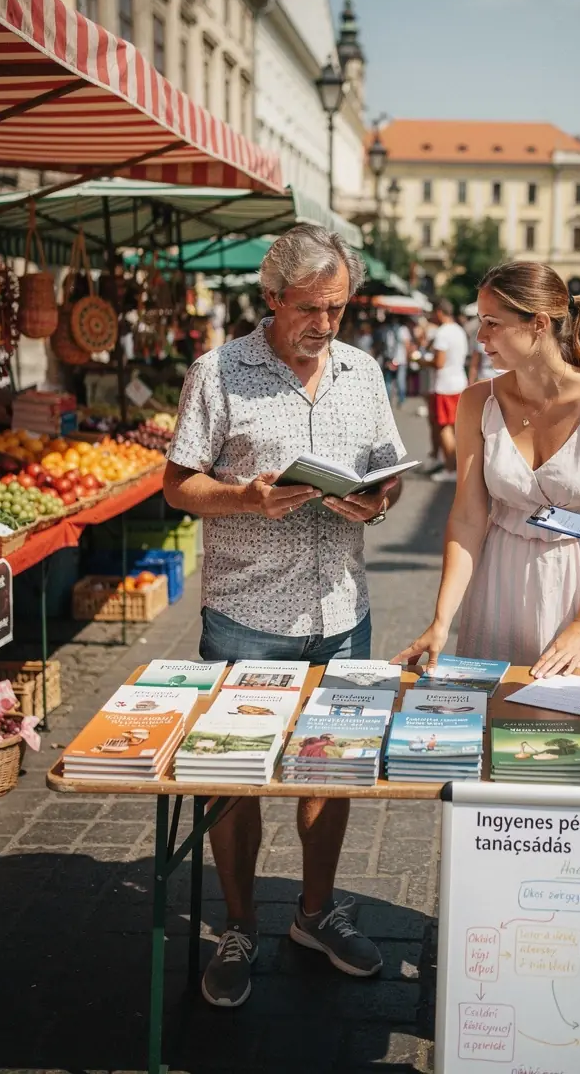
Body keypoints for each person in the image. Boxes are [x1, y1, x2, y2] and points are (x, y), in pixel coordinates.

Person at [163, 223, 406, 1008]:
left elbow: (388, 473)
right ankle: (239, 923)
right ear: (271, 298)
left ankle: (313, 911)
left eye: (338, 309)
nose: (326, 325)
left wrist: (377, 497)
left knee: (329, 768)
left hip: (341, 607)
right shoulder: (220, 371)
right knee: (234, 778)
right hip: (245, 612)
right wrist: (247, 498)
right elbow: (177, 486)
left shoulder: (363, 371)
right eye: (311, 309)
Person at [393, 263, 580, 677]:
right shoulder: (477, 401)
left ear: (539, 324)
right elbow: (468, 516)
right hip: (500, 584)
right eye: (480, 322)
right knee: (495, 723)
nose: (480, 336)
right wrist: (441, 620)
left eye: (492, 323)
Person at [427, 298, 469, 483]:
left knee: (444, 427)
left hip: (445, 386)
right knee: (454, 428)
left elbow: (439, 363)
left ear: (439, 312)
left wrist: (420, 361)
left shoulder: (443, 332)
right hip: (459, 382)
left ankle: (450, 469)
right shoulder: (459, 330)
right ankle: (454, 465)